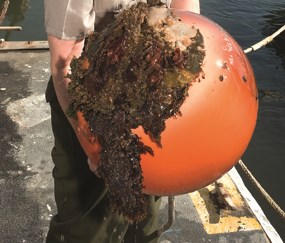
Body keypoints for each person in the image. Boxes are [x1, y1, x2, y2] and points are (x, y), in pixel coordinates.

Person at [44, 0, 200, 242]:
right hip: (88, 102)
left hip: (152, 103)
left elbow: (187, 17)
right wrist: (93, 146)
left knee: (144, 220)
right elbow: (65, 61)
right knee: (89, 226)